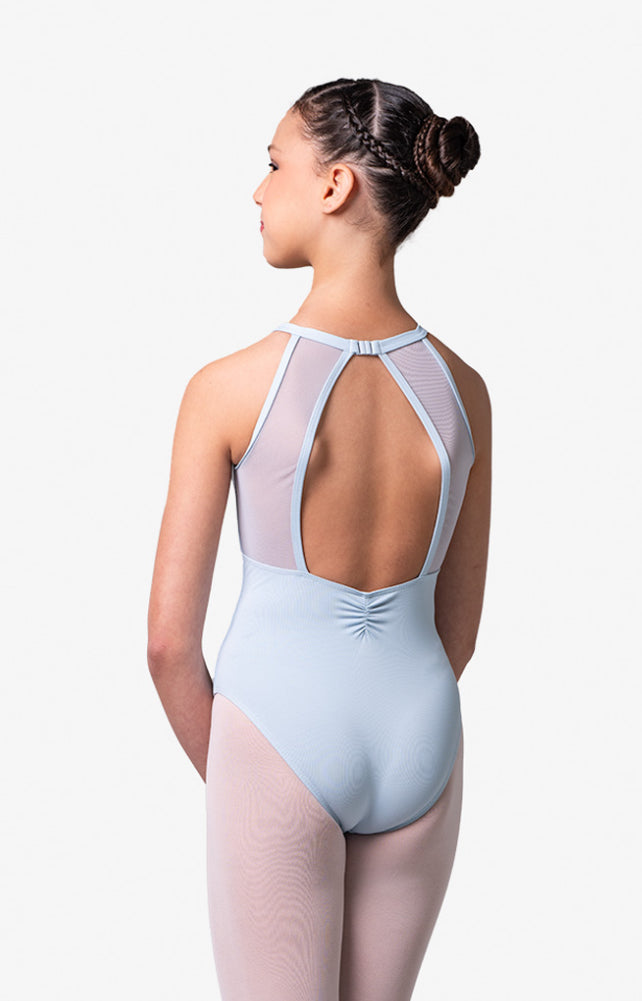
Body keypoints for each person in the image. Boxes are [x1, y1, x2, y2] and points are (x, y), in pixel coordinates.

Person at [147, 76, 491, 1001]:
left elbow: (169, 643)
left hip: (278, 731)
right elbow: (458, 630)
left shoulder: (227, 388)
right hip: (420, 735)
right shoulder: (465, 392)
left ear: (334, 186)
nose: (259, 189)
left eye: (274, 164)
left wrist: (249, 783)